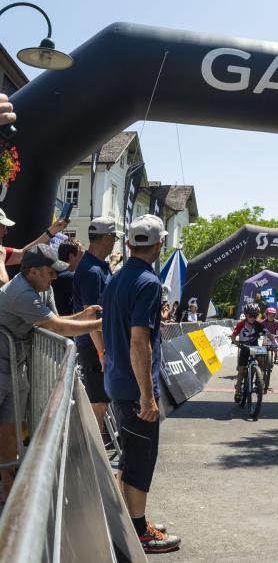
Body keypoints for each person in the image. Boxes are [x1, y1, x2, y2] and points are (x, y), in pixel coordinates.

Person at [99, 214, 181, 553]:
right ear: (159, 244)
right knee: (140, 460)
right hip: (134, 389)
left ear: (129, 244)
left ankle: (133, 521)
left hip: (118, 382)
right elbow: (139, 342)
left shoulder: (117, 278)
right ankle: (138, 533)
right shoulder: (148, 282)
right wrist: (148, 396)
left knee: (131, 457)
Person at [0, 245, 102, 502]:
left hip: (13, 367)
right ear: (32, 271)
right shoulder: (21, 292)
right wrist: (103, 323)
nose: (54, 277)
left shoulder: (40, 287)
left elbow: (56, 321)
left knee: (10, 430)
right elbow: (57, 328)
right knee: (6, 430)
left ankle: (9, 488)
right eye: (49, 273)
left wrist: (83, 315)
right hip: (5, 367)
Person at [72, 216, 123, 430]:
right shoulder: (92, 271)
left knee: (101, 401)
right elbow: (90, 315)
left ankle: (96, 456)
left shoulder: (98, 266)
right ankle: (95, 460)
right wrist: (102, 352)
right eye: (114, 238)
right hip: (93, 344)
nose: (115, 243)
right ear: (108, 238)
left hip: (97, 342)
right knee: (98, 404)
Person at [0, 208, 71, 287]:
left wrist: (51, 231)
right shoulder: (1, 255)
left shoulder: (2, 253)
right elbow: (2, 284)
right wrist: (0, 261)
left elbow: (23, 254)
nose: (6, 232)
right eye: (2, 227)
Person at [231, 304, 271, 403]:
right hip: (244, 347)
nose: (253, 318)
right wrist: (235, 342)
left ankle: (259, 379)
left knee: (261, 359)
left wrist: (273, 343)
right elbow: (233, 336)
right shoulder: (241, 324)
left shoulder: (259, 325)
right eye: (250, 316)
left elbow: (268, 334)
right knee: (241, 370)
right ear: (246, 315)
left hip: (254, 347)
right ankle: (238, 389)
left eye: (255, 316)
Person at [52, 238, 85, 315]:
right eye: (81, 255)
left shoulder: (57, 273)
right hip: (64, 323)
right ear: (71, 257)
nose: (83, 259)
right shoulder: (69, 277)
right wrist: (113, 263)